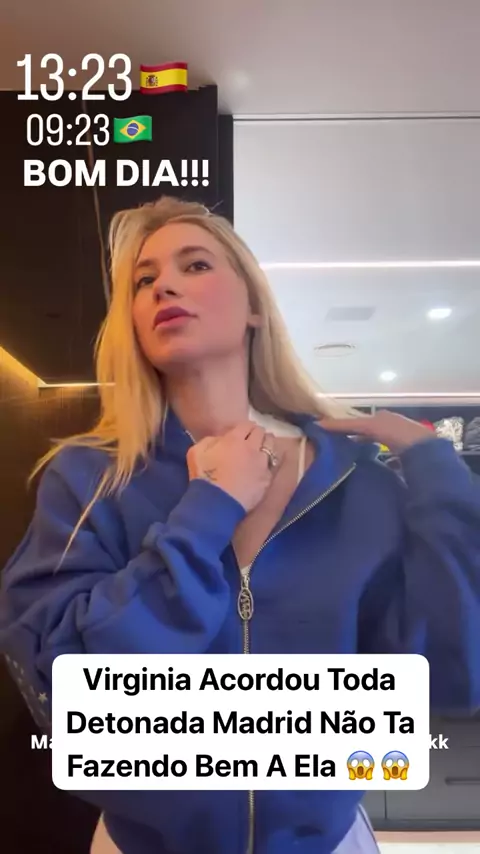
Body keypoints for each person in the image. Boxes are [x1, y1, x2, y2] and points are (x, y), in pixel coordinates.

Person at [0, 196, 479, 854]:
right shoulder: (87, 479)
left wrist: (437, 472)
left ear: (254, 304)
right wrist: (208, 510)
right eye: (143, 280)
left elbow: (452, 673)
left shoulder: (358, 483)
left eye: (195, 265)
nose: (164, 286)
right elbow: (66, 687)